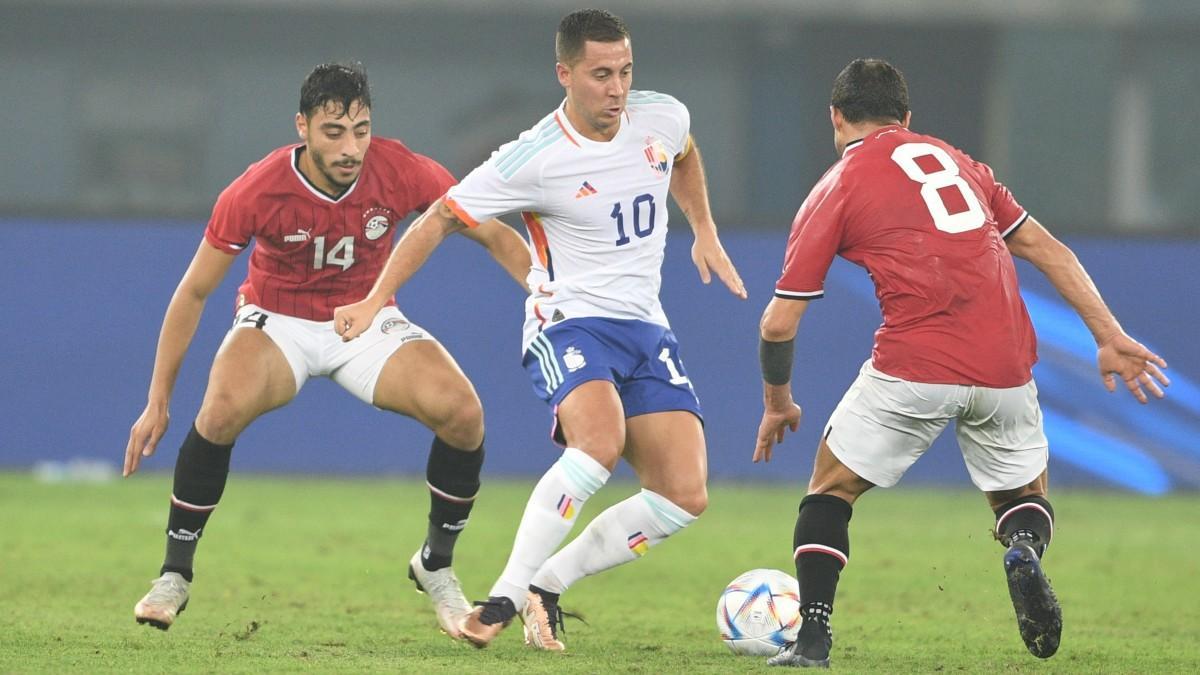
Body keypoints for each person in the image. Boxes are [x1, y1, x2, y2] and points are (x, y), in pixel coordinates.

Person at [335, 8, 746, 651]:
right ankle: (505, 592)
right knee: (599, 442)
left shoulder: (662, 115)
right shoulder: (536, 157)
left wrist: (705, 230)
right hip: (567, 322)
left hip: (645, 327)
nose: (617, 89)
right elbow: (441, 218)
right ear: (565, 74)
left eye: (626, 72)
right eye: (601, 74)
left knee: (684, 495)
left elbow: (684, 157)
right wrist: (373, 299)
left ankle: (544, 587)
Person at [754, 58, 1170, 668]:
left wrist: (777, 401)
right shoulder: (962, 165)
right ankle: (1022, 544)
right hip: (1006, 366)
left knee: (831, 489)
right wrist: (1108, 336)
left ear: (836, 118)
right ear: (908, 118)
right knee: (1023, 494)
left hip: (914, 364)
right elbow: (1047, 250)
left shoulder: (836, 185)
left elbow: (778, 321)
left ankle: (811, 638)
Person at [123, 62, 531, 636]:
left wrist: (544, 290)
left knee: (463, 413)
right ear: (303, 128)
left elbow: (492, 232)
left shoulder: (401, 170)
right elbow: (193, 291)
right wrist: (158, 400)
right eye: (334, 132)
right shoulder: (257, 189)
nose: (350, 147)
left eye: (360, 130)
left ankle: (435, 565)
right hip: (278, 321)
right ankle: (174, 575)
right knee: (218, 410)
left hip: (365, 322)